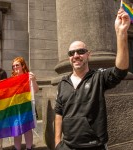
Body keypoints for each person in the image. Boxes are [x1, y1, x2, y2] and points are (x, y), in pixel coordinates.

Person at [54, 8, 130, 150]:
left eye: (81, 51)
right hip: (67, 146)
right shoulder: (63, 83)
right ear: (69, 57)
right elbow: (59, 112)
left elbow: (120, 71)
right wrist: (57, 142)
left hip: (95, 146)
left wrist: (121, 34)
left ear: (88, 55)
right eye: (72, 53)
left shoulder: (98, 77)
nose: (76, 55)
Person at [11, 57, 39, 150]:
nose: (15, 67)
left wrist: (34, 80)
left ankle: (29, 147)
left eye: (17, 65)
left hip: (27, 107)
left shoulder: (29, 76)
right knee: (17, 130)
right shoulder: (12, 79)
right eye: (13, 66)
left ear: (22, 66)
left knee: (27, 129)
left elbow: (35, 90)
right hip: (16, 108)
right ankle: (17, 148)